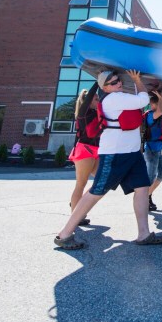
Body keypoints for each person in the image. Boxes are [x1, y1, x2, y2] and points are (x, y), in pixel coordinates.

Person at [54, 69, 162, 250]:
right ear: (105, 87)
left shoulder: (121, 97)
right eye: (113, 83)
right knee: (97, 190)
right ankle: (64, 234)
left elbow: (139, 102)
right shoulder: (113, 99)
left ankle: (143, 234)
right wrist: (137, 79)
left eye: (118, 80)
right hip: (115, 153)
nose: (118, 84)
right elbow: (143, 100)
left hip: (132, 153)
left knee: (143, 188)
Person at [67, 82, 101, 226]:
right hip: (85, 150)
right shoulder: (83, 113)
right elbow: (88, 101)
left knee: (101, 181)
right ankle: (76, 214)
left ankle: (77, 204)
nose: (98, 101)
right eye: (96, 99)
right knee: (81, 183)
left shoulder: (96, 113)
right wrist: (98, 82)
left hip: (96, 150)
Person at [143, 90, 162, 211]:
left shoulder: (158, 113)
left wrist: (161, 96)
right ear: (152, 104)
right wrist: (159, 97)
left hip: (157, 150)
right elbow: (161, 109)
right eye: (157, 103)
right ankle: (145, 200)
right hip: (151, 150)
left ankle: (147, 196)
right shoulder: (150, 115)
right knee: (151, 177)